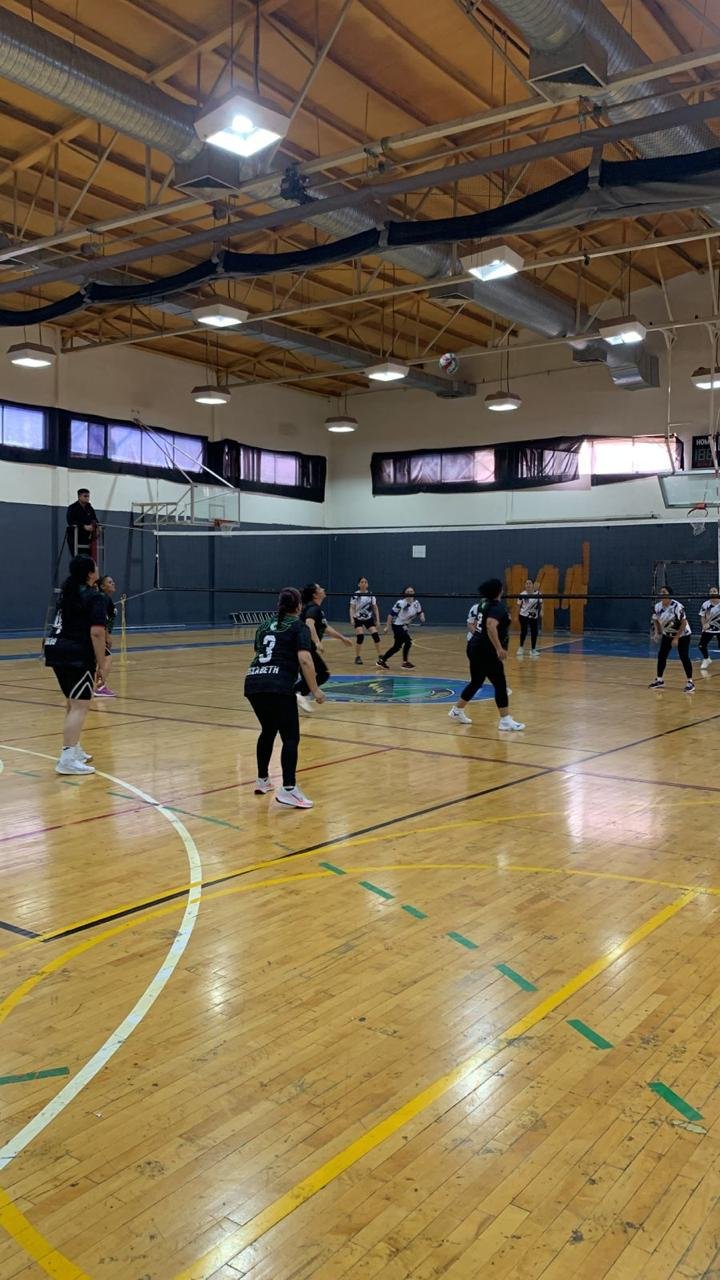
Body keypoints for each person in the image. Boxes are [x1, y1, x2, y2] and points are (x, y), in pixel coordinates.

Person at [244, 587, 326, 809]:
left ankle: (262, 780)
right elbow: (305, 660)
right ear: (298, 606)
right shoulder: (299, 627)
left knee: (268, 730)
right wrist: (315, 690)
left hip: (253, 683)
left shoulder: (263, 626)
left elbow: (260, 651)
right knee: (290, 737)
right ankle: (289, 789)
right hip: (278, 685)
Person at [44, 554, 107, 775]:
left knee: (73, 702)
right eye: (95, 567)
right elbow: (97, 633)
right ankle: (67, 759)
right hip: (76, 653)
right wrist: (102, 664)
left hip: (55, 648)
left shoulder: (68, 593)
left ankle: (74, 748)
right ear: (90, 573)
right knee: (80, 705)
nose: (98, 569)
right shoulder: (95, 597)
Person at [449, 578, 525, 731]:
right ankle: (505, 720)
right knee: (500, 684)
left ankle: (457, 710)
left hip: (474, 646)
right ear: (499, 590)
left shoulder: (483, 604)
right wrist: (499, 648)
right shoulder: (497, 607)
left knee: (476, 681)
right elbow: (491, 625)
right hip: (486, 650)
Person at [296, 582, 353, 714]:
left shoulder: (316, 609)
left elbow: (325, 628)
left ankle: (298, 695)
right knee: (323, 674)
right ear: (315, 594)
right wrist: (317, 642)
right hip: (303, 649)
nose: (323, 589)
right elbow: (309, 624)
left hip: (303, 648)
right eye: (320, 588)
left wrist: (342, 638)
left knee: (309, 678)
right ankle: (296, 694)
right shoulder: (313, 609)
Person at [649, 586, 694, 691]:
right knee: (662, 655)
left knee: (684, 657)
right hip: (667, 634)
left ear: (669, 594)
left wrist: (676, 638)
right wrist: (657, 632)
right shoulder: (657, 607)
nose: (661, 594)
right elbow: (655, 619)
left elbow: (684, 623)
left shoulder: (677, 606)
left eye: (664, 592)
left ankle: (690, 682)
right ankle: (659, 680)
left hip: (683, 635)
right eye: (660, 592)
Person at [376, 587, 425, 670]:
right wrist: (387, 626)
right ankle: (405, 662)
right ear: (404, 594)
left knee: (397, 646)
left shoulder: (416, 603)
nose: (410, 593)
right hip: (397, 625)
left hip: (404, 626)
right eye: (408, 591)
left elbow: (420, 612)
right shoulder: (401, 603)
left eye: (411, 591)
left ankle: (382, 660)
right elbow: (391, 615)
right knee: (408, 642)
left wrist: (422, 617)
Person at [94, 574, 117, 698]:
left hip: (97, 633)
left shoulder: (105, 599)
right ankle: (100, 687)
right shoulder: (103, 598)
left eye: (113, 581)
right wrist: (107, 636)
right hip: (98, 634)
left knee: (98, 660)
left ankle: (96, 685)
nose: (113, 583)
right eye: (109, 582)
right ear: (102, 586)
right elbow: (101, 618)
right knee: (107, 658)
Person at [349, 577, 381, 665]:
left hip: (368, 618)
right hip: (358, 618)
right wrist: (352, 618)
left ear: (367, 584)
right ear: (359, 584)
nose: (364, 583)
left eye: (365, 582)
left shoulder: (370, 594)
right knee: (360, 636)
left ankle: (380, 655)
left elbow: (375, 608)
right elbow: (352, 607)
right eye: (362, 582)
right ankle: (357, 657)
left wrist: (378, 620)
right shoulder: (356, 594)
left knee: (375, 635)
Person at [66, 488, 99, 557]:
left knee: (88, 559)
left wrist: (96, 527)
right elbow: (70, 521)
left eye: (88, 496)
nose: (87, 498)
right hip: (75, 537)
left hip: (87, 538)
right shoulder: (72, 508)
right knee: (78, 558)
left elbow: (95, 520)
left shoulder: (90, 508)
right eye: (85, 496)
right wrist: (83, 526)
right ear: (79, 497)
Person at [517, 579, 543, 658]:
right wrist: (516, 615)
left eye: (530, 583)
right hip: (523, 616)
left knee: (534, 632)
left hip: (533, 616)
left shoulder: (538, 594)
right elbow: (518, 605)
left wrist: (542, 611)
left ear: (533, 585)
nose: (528, 585)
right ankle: (521, 647)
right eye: (527, 583)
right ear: (525, 585)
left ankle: (533, 649)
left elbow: (541, 603)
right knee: (524, 631)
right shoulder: (522, 594)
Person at [699, 587, 720, 670]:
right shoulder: (705, 604)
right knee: (701, 645)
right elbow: (702, 616)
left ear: (718, 592)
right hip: (709, 628)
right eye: (711, 591)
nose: (712, 592)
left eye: (714, 591)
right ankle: (706, 659)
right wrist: (704, 625)